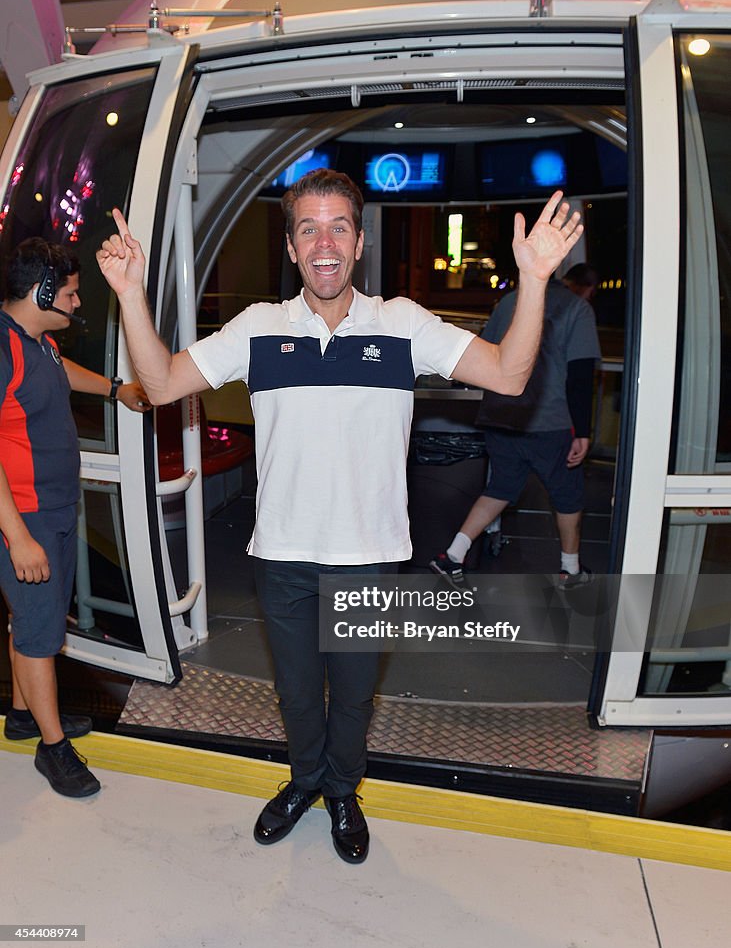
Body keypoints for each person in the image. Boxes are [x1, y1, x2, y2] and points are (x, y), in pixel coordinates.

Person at [95, 169, 583, 862]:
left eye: (338, 227)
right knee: (297, 695)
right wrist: (129, 297)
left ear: (358, 243)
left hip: (369, 554)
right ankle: (304, 782)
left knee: (352, 699)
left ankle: (343, 792)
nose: (323, 242)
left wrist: (532, 281)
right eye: (307, 228)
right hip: (284, 555)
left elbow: (507, 373)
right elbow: (164, 382)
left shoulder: (401, 324)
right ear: (291, 249)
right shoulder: (260, 328)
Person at [0, 238, 150, 797]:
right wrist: (17, 537)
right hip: (26, 519)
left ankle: (23, 717)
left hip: (54, 509)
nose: (78, 302)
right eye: (69, 292)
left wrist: (117, 389)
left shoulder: (36, 342)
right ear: (41, 292)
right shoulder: (3, 345)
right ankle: (53, 746)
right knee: (40, 635)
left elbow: (62, 375)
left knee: (33, 620)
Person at [430, 266, 601, 589]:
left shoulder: (510, 301)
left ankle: (453, 555)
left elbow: (486, 354)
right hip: (548, 421)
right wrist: (583, 431)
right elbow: (580, 374)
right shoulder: (578, 309)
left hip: (501, 416)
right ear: (585, 286)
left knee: (501, 488)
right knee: (567, 497)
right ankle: (570, 569)